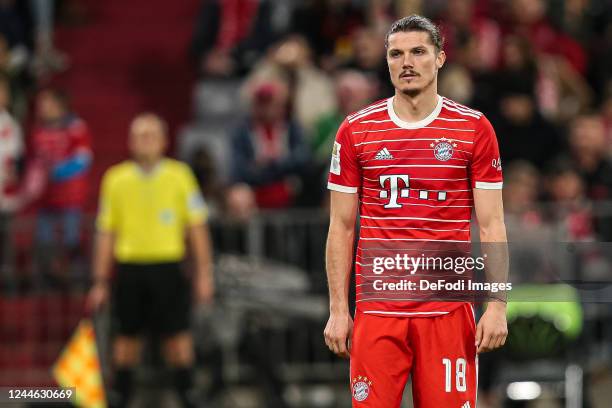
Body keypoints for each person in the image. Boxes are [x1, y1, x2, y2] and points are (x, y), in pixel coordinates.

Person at [323, 15, 508, 407]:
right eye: (396, 54)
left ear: (440, 58)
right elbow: (340, 226)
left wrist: (497, 304)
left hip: (447, 310)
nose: (406, 62)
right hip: (378, 310)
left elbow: (492, 223)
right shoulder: (356, 130)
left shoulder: (474, 128)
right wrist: (338, 310)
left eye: (418, 52)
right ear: (387, 62)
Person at [87, 113, 215, 408]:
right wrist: (100, 281)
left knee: (178, 341)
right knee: (125, 343)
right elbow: (106, 232)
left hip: (168, 270)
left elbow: (197, 229)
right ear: (131, 141)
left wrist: (204, 274)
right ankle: (122, 398)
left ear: (163, 141)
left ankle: (187, 396)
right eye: (139, 135)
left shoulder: (180, 176)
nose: (145, 140)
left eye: (151, 135)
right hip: (130, 270)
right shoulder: (115, 179)